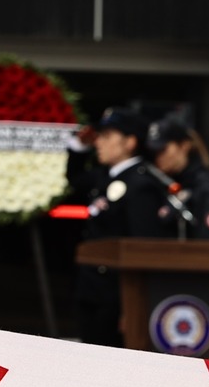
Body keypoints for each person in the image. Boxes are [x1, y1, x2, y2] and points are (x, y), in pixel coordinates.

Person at [71, 107, 167, 345]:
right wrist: (78, 148)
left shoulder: (141, 184)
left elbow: (142, 248)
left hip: (117, 295)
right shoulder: (106, 176)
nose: (99, 143)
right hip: (93, 289)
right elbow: (75, 179)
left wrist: (132, 306)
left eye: (107, 137)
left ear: (130, 142)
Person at [147, 117, 209, 238]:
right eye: (155, 152)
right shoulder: (161, 181)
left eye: (163, 150)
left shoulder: (202, 186)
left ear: (184, 146)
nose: (159, 157)